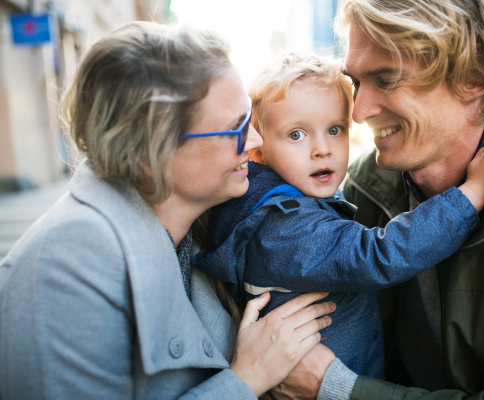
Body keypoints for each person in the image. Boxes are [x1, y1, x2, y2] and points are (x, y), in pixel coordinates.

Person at [273, 0, 484, 399]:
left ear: (475, 77)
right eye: (357, 82)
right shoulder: (358, 186)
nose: (359, 111)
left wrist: (341, 390)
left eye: (386, 79)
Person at [0, 22, 337, 400]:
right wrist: (248, 379)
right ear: (151, 154)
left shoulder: (204, 224)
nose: (255, 141)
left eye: (250, 120)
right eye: (234, 129)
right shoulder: (63, 271)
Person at [193, 52, 484, 381]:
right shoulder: (283, 225)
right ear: (259, 153)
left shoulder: (292, 199)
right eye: (296, 134)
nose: (321, 148)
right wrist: (474, 193)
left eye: (334, 129)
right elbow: (379, 255)